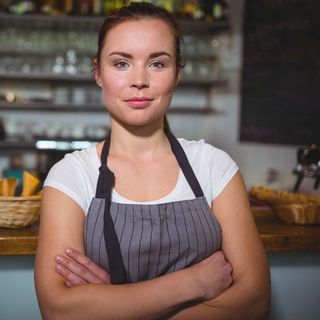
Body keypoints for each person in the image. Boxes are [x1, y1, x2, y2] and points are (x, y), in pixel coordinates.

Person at [34, 2, 271, 319]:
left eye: (157, 64)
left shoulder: (214, 166)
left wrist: (112, 304)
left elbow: (254, 300)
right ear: (98, 73)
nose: (139, 80)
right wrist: (193, 282)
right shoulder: (70, 176)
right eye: (121, 63)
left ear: (177, 75)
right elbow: (58, 311)